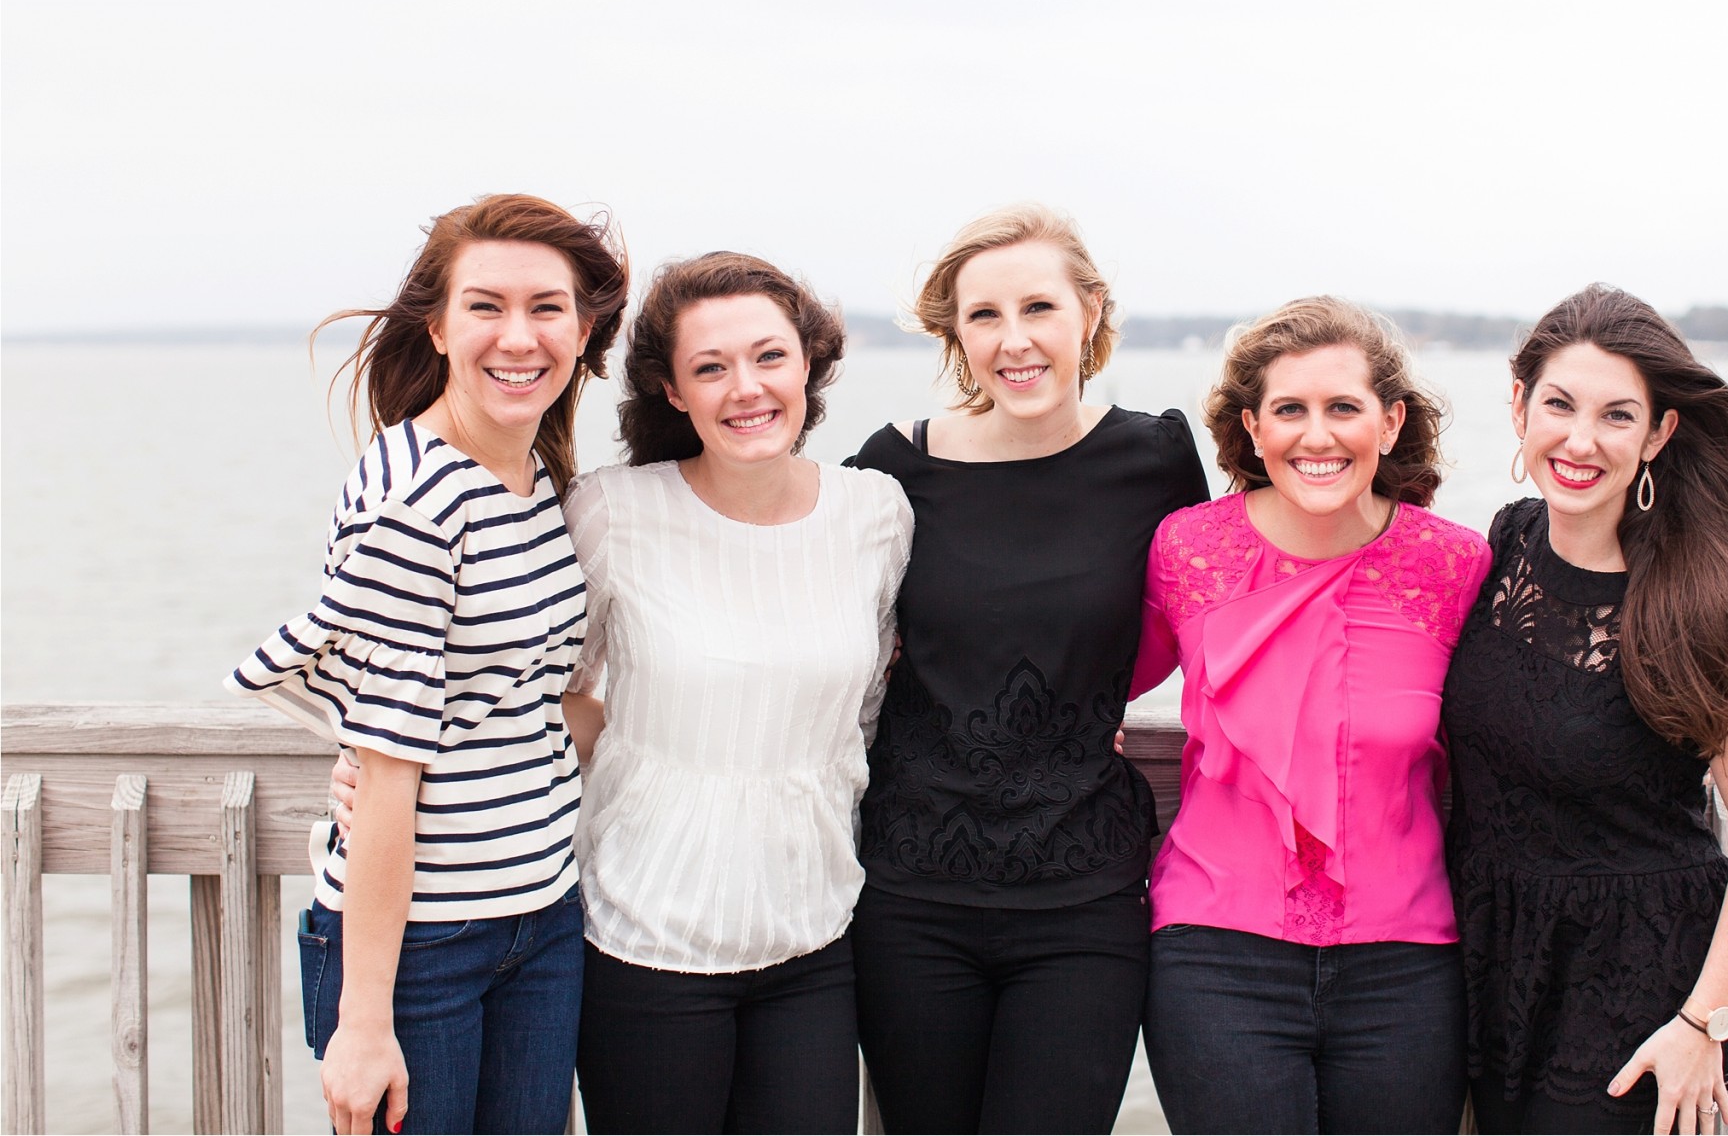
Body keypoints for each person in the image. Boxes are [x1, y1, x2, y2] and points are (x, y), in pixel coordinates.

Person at [227, 193, 629, 1135]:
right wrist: (363, 1024)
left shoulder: (534, 480)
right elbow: (392, 771)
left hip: (541, 917)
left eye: (547, 308)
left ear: (583, 330)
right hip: (419, 949)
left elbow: (525, 694)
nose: (518, 336)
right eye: (485, 305)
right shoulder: (418, 494)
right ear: (440, 329)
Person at [847, 203, 1210, 1133]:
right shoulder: (892, 472)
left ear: (1089, 313)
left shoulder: (1157, 457)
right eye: (984, 316)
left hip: (1083, 899)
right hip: (910, 894)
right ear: (954, 334)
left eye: (1039, 308)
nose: (1016, 341)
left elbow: (1216, 617)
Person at [1442, 284, 1728, 1136]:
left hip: (1638, 991)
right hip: (1492, 966)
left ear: (1658, 434)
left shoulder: (1705, 599)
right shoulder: (1506, 543)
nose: (1579, 440)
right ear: (1519, 406)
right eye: (1559, 405)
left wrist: (1702, 1023)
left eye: (1616, 416)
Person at [564, 253, 912, 1133]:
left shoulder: (876, 513)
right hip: (645, 941)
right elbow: (555, 688)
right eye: (710, 368)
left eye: (768, 357)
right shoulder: (614, 510)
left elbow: (865, 704)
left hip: (814, 938)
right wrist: (654, 781)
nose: (745, 388)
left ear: (808, 365)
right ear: (673, 391)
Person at [1132, 297, 1490, 1134]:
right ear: (1253, 429)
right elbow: (1093, 676)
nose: (1316, 436)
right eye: (1290, 410)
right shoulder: (1186, 550)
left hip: (1407, 966)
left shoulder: (1455, 563)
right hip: (1215, 956)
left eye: (1343, 408)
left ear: (1390, 421)